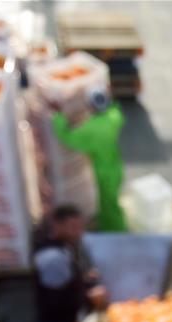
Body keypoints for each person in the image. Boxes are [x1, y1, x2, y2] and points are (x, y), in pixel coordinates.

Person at [33, 205, 107, 322]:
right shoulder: (52, 256)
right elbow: (56, 298)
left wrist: (83, 279)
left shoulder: (65, 249)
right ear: (57, 225)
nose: (78, 232)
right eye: (72, 227)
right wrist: (87, 296)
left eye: (80, 227)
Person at [52, 87, 128, 232]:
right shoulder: (113, 118)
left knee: (109, 205)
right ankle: (108, 227)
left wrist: (59, 116)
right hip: (116, 167)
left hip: (103, 171)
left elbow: (68, 137)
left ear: (91, 106)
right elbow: (116, 109)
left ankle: (116, 231)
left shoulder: (90, 129)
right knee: (110, 201)